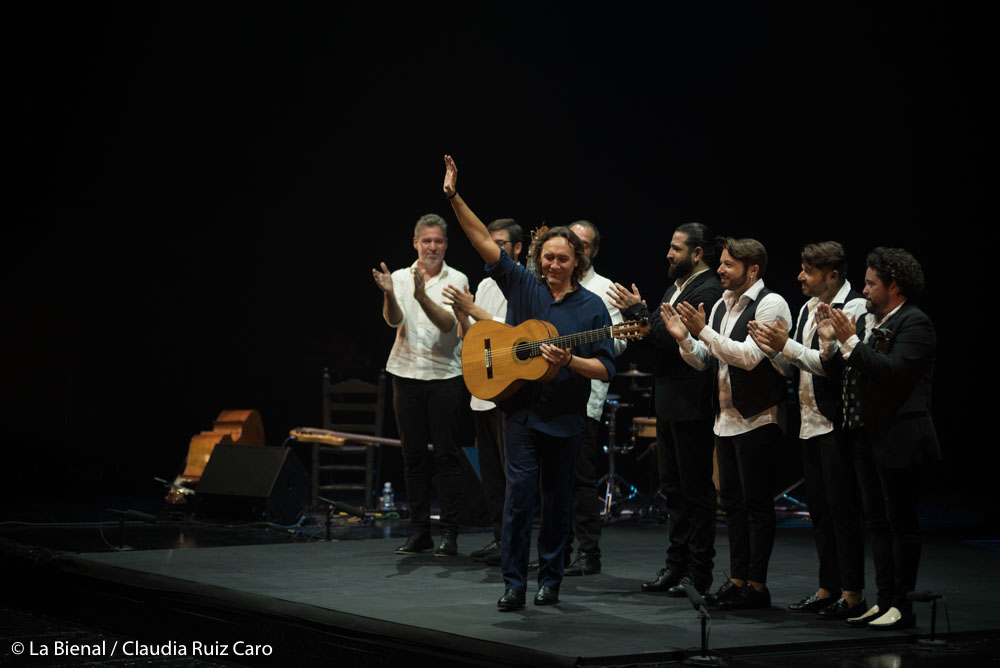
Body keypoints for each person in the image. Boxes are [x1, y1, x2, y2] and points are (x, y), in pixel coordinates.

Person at [442, 155, 615, 611]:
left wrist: (570, 360)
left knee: (557, 503)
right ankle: (514, 583)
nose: (555, 264)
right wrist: (455, 197)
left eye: (563, 258)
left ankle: (551, 580)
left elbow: (605, 368)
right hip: (520, 412)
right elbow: (481, 239)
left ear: (577, 260)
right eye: (549, 257)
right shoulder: (523, 286)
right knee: (518, 500)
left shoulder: (593, 307)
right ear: (537, 259)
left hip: (566, 419)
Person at [661, 238, 792, 610]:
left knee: (756, 506)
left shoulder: (770, 303)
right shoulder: (721, 305)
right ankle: (736, 580)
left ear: (752, 270)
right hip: (725, 421)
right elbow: (706, 360)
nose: (720, 270)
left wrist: (702, 332)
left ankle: (757, 585)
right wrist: (685, 338)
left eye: (728, 265)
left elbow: (750, 358)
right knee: (732, 506)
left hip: (757, 418)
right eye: (720, 263)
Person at [819, 247, 939, 630]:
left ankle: (902, 605)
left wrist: (850, 342)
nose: (865, 291)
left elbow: (894, 373)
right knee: (877, 522)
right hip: (866, 436)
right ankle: (884, 598)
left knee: (900, 521)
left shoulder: (915, 323)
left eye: (871, 284)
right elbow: (854, 373)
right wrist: (831, 343)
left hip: (899, 437)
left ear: (894, 286)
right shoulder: (877, 322)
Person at [749, 241, 868, 619]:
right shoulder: (806, 309)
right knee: (819, 512)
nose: (800, 276)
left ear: (832, 274)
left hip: (837, 423)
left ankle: (852, 594)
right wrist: (775, 350)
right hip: (809, 423)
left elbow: (836, 369)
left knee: (842, 512)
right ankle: (827, 587)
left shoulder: (854, 309)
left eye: (809, 271)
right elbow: (797, 366)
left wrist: (788, 347)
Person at [608, 223, 722, 596]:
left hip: (692, 401)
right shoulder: (677, 287)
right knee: (673, 488)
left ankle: (699, 572)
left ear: (697, 252)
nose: (668, 254)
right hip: (669, 399)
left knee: (695, 489)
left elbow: (665, 336)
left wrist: (641, 312)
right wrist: (642, 319)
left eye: (676, 248)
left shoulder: (706, 288)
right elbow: (656, 337)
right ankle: (676, 565)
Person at [372, 214, 469, 557]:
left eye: (438, 241)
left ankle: (450, 534)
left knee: (446, 456)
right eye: (426, 241)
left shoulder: (457, 278)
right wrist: (390, 294)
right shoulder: (399, 276)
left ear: (446, 244)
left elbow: (447, 325)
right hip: (405, 372)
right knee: (413, 457)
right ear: (415, 242)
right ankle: (419, 532)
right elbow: (394, 320)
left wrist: (421, 295)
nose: (432, 247)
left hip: (444, 376)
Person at [442, 218, 524, 565]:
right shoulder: (486, 282)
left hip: (507, 388)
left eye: (501, 243)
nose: (493, 248)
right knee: (490, 472)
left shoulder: (522, 282)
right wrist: (462, 314)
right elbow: (471, 337)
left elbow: (514, 336)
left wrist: (473, 309)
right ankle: (497, 537)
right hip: (482, 389)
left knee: (510, 473)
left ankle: (514, 541)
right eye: (490, 242)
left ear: (517, 248)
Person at [562, 220, 627, 577]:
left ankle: (589, 554)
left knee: (581, 480)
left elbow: (619, 341)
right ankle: (558, 550)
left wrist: (582, 340)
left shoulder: (605, 290)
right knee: (551, 482)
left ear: (594, 251)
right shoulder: (552, 284)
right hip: (549, 393)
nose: (577, 250)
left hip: (585, 398)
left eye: (583, 245)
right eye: (572, 243)